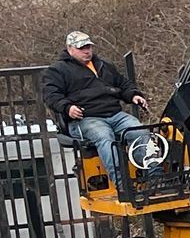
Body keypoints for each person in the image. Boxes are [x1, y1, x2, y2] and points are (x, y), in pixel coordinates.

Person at [43, 29, 152, 200]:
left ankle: (154, 176)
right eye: (82, 48)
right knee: (104, 137)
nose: (87, 51)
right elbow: (51, 95)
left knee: (140, 131)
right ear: (70, 49)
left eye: (88, 47)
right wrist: (67, 107)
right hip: (85, 118)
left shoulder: (104, 65)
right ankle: (123, 185)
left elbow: (123, 84)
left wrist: (134, 95)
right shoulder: (58, 71)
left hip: (115, 114)